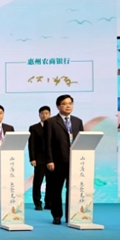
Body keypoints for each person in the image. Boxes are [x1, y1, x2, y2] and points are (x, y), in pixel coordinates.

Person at [44, 94, 84, 226]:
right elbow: (47, 143)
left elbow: (82, 141)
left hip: (75, 162)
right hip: (57, 162)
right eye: (64, 104)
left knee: (73, 190)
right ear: (58, 106)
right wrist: (49, 160)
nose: (68, 106)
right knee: (56, 190)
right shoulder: (51, 122)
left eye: (70, 103)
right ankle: (57, 215)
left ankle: (70, 215)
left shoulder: (78, 121)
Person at [28, 106, 51, 210]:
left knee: (51, 182)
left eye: (46, 113)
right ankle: (37, 203)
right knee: (38, 182)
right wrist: (32, 158)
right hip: (39, 159)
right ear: (39, 115)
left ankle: (49, 202)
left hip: (52, 160)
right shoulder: (34, 128)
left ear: (50, 114)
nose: (44, 115)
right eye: (42, 113)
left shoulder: (54, 127)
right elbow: (31, 144)